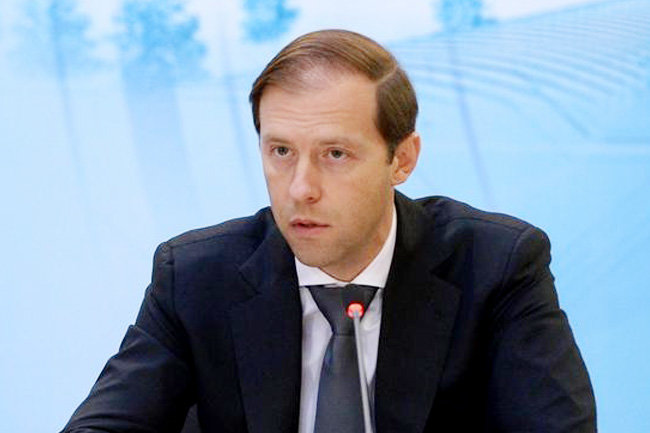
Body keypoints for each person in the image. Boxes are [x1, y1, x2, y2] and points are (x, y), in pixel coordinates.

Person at [62, 29, 596, 432]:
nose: (300, 189)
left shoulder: (497, 267)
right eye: (281, 151)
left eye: (335, 154)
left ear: (402, 159)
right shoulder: (195, 277)